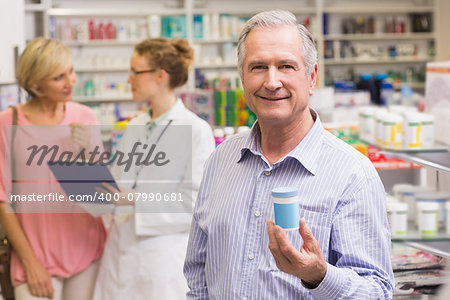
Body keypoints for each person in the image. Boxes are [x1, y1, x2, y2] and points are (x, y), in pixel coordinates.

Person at [184, 10, 394, 299]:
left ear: (311, 77)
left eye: (286, 66)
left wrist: (319, 277)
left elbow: (377, 291)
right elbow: (198, 272)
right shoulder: (221, 160)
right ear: (242, 79)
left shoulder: (352, 174)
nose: (272, 82)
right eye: (258, 67)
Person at [93, 38, 215, 300]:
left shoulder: (196, 130)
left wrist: (134, 199)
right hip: (120, 252)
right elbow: (119, 184)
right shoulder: (134, 126)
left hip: (163, 258)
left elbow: (193, 204)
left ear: (160, 76)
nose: (130, 79)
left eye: (136, 72)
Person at [0, 37, 107, 300]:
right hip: (33, 257)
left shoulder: (85, 117)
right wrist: (30, 263)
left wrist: (90, 157)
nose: (71, 81)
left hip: (86, 253)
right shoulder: (8, 123)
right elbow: (3, 201)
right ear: (35, 84)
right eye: (59, 76)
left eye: (71, 71)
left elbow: (100, 198)